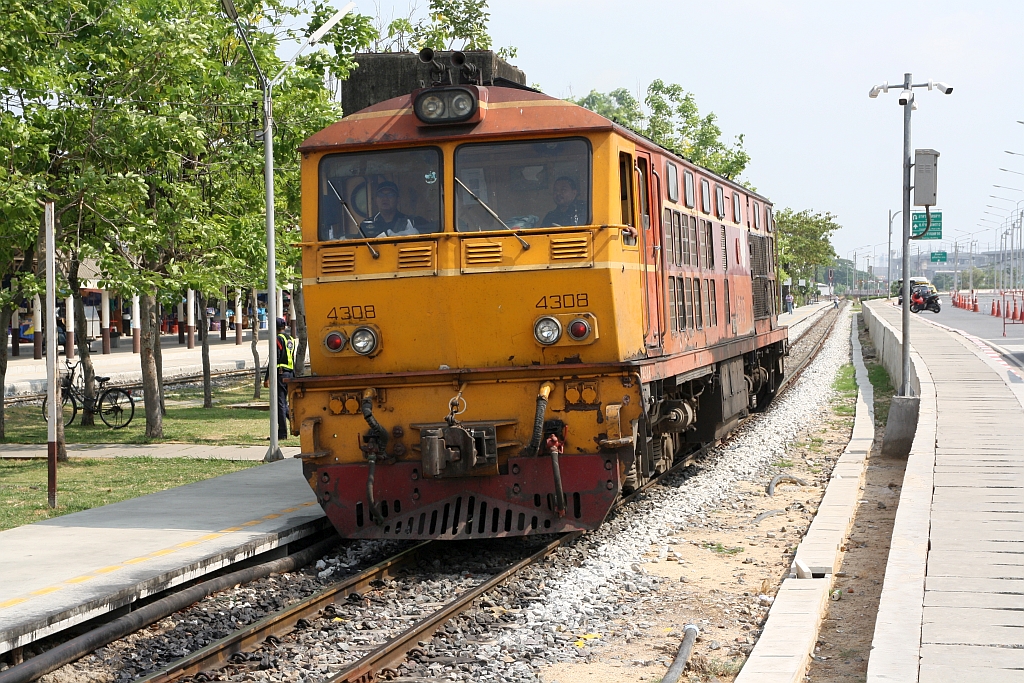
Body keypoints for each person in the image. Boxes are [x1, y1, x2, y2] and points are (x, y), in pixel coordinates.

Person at [264, 318, 295, 440]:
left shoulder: (277, 339)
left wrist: (267, 377)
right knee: (285, 404)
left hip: (281, 374)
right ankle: (297, 422)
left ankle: (282, 433)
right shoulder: (290, 339)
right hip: (290, 374)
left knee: (280, 404)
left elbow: (274, 359)